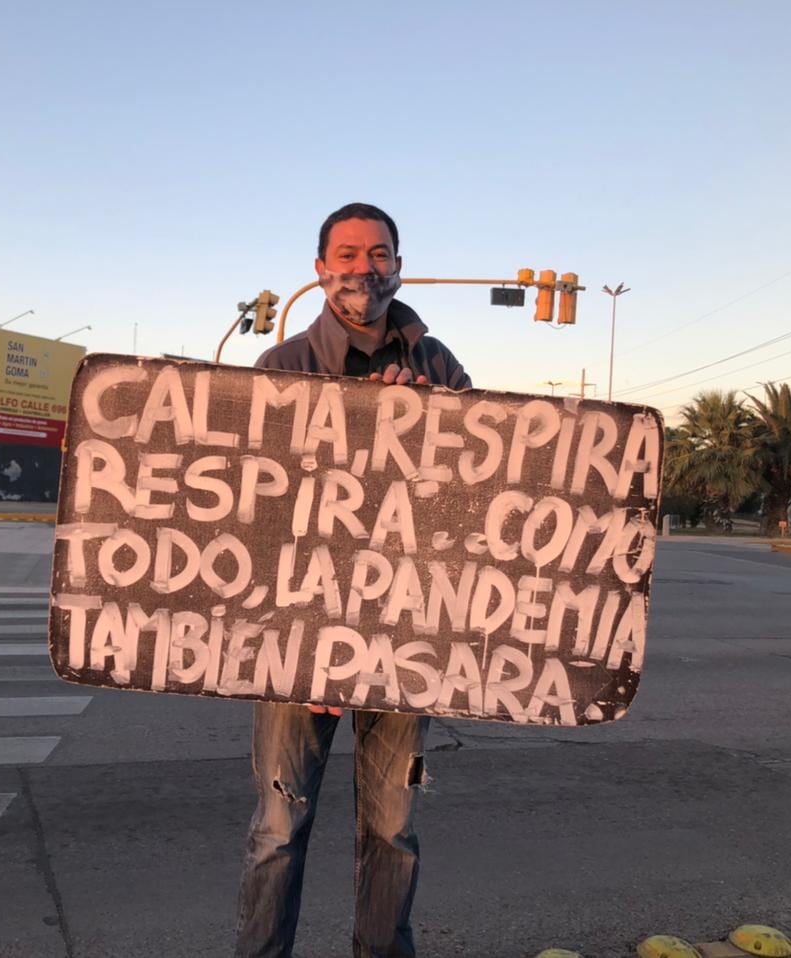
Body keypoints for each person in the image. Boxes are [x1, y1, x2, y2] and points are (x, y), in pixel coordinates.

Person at [234, 203, 471, 958]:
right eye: (347, 252)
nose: (363, 267)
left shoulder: (440, 370)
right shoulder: (281, 372)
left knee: (394, 832)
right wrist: (299, 650)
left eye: (379, 252)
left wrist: (430, 423)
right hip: (297, 653)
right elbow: (251, 524)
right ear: (319, 268)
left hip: (406, 647)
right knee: (277, 831)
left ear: (398, 263)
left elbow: (478, 510)